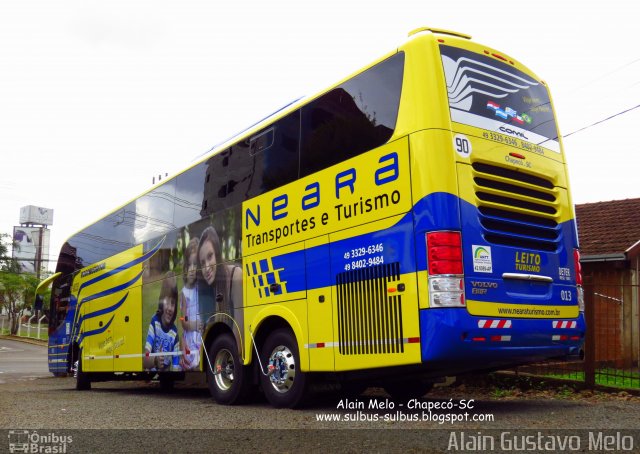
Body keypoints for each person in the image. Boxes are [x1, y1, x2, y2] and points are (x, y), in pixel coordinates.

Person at [143, 271, 181, 372]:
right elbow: (145, 359)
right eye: (166, 302)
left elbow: (176, 364)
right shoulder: (154, 322)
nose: (169, 308)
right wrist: (155, 361)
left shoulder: (175, 333)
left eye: (172, 303)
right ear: (161, 301)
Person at [180, 238, 201, 371]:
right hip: (189, 336)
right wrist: (192, 325)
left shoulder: (201, 288)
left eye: (195, 265)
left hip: (199, 336)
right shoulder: (184, 292)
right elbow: (182, 320)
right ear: (185, 268)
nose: (192, 269)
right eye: (190, 265)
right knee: (189, 363)